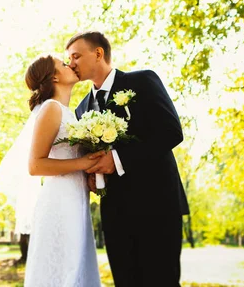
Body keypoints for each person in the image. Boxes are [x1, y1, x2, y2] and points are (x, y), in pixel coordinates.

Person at [66, 31, 189, 287]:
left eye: (76, 56)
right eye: (69, 59)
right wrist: (92, 177)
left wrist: (118, 159)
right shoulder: (81, 109)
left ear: (98, 53)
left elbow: (171, 132)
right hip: (115, 213)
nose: (71, 63)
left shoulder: (143, 81)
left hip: (157, 206)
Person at [0, 55, 102, 287]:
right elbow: (36, 165)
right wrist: (84, 164)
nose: (70, 65)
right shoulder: (51, 109)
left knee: (76, 266)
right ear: (54, 76)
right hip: (59, 201)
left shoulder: (69, 112)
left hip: (76, 198)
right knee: (62, 269)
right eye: (64, 64)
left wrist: (91, 175)